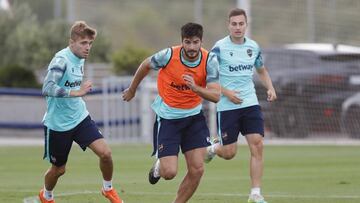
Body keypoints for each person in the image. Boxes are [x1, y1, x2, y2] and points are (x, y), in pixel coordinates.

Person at [122, 22, 220, 203]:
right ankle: (160, 166)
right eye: (187, 42)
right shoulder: (168, 55)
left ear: (201, 42)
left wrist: (195, 88)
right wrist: (132, 89)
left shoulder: (210, 60)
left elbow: (215, 95)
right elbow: (145, 65)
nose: (191, 47)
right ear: (182, 41)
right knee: (169, 173)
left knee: (197, 169)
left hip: (194, 118)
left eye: (195, 42)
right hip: (169, 119)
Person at [39, 21, 123, 203]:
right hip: (58, 124)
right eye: (83, 43)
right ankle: (46, 195)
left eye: (90, 43)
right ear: (72, 42)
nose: (88, 48)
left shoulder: (81, 58)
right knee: (59, 170)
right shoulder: (61, 60)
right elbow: (47, 87)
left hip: (79, 117)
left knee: (106, 153)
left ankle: (108, 189)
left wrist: (78, 94)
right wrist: (76, 92)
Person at [204, 8, 277, 203]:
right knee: (229, 153)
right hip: (227, 106)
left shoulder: (253, 46)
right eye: (234, 24)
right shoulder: (219, 48)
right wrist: (227, 93)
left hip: (250, 103)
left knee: (258, 145)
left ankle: (255, 193)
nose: (237, 27)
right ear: (228, 25)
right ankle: (212, 149)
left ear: (246, 24)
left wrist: (270, 87)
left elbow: (261, 70)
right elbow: (209, 78)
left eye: (241, 24)